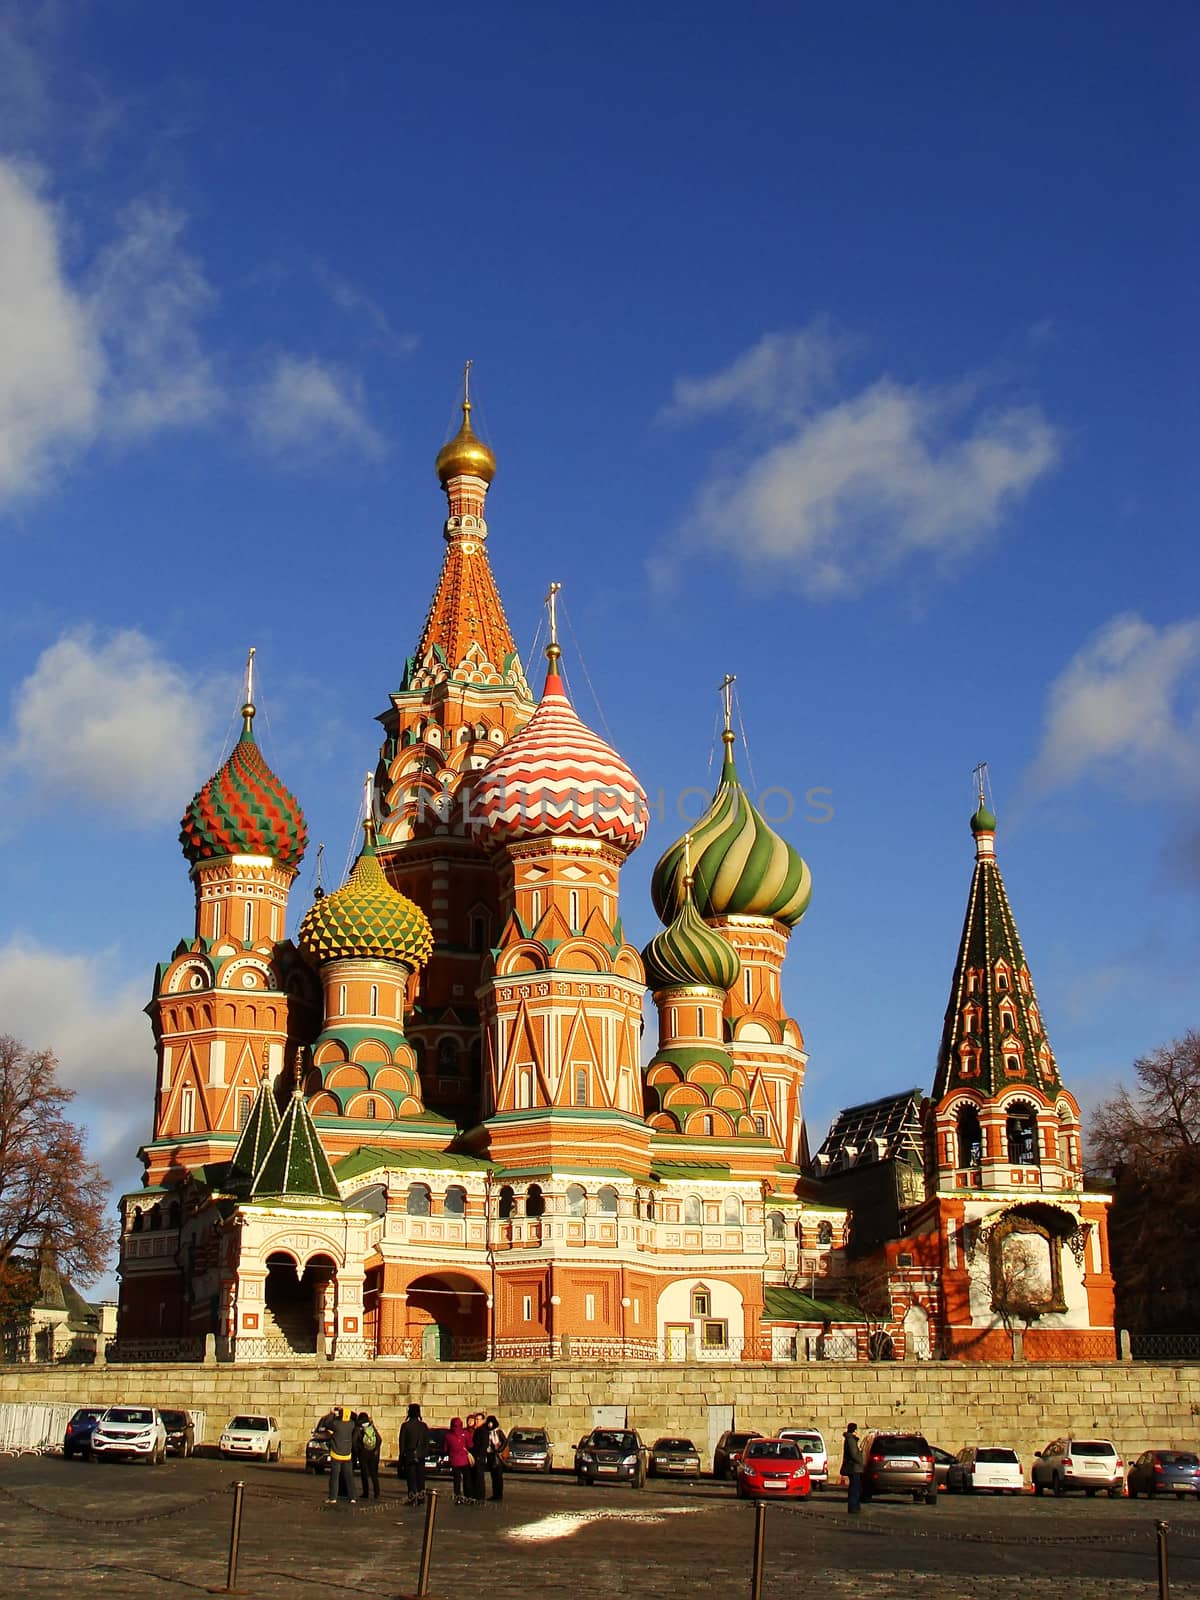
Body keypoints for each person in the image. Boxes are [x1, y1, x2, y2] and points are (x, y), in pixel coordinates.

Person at [318, 1405, 357, 1505]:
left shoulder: (336, 1424)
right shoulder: (351, 1424)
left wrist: (332, 1413)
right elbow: (355, 1417)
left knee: (334, 1478)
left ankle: (333, 1498)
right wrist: (345, 1410)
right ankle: (352, 1497)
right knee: (349, 1477)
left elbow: (326, 1423)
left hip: (336, 1454)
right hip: (347, 1455)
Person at [399, 1402, 430, 1505]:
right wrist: (423, 1453)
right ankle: (421, 1499)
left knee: (411, 1479)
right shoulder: (423, 1426)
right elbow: (426, 1442)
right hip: (420, 1455)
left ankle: (412, 1499)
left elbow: (402, 1443)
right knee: (421, 1479)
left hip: (409, 1455)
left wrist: (402, 1458)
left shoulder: (405, 1426)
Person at [355, 1409, 382, 1501]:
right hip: (373, 1454)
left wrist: (358, 1450)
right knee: (374, 1474)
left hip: (363, 1454)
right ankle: (377, 1493)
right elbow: (379, 1439)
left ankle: (366, 1492)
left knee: (364, 1474)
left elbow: (356, 1441)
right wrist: (376, 1450)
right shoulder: (371, 1427)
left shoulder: (359, 1428)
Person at [446, 1416, 472, 1504]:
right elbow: (470, 1445)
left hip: (454, 1461)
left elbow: (445, 1448)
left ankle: (458, 1497)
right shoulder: (466, 1433)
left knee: (456, 1481)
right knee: (467, 1479)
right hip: (464, 1460)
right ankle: (468, 1496)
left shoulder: (448, 1436)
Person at [841, 1421, 864, 1514]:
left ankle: (854, 1506)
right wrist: (861, 1461)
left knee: (854, 1487)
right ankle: (853, 1507)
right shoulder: (851, 1439)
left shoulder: (850, 1439)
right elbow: (854, 1454)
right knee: (855, 1488)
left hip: (853, 1467)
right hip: (854, 1468)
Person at [485, 1414, 507, 1502]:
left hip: (497, 1456)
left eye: (491, 1423)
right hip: (490, 1455)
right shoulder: (487, 1432)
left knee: (498, 1476)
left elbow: (505, 1442)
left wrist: (499, 1450)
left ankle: (499, 1494)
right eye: (488, 1423)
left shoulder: (498, 1432)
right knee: (493, 1476)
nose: (489, 1425)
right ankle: (495, 1494)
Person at [471, 1413, 491, 1504]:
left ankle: (479, 1496)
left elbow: (484, 1444)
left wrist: (480, 1456)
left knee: (479, 1477)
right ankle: (477, 1494)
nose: (476, 1421)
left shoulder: (483, 1430)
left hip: (480, 1456)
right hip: (477, 1456)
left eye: (478, 1419)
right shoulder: (478, 1429)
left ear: (483, 1420)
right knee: (476, 1476)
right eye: (476, 1419)